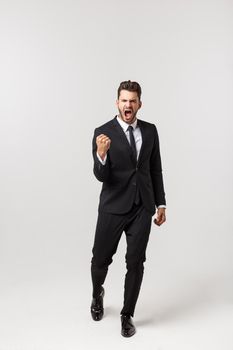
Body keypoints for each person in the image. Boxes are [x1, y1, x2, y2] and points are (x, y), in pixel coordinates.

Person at [90, 80, 166, 337]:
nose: (128, 105)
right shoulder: (102, 132)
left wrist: (160, 203)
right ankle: (97, 293)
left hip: (142, 208)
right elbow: (101, 176)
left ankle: (127, 314)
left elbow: (154, 169)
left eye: (133, 101)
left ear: (139, 104)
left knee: (136, 262)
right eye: (124, 100)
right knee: (100, 259)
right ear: (117, 103)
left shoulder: (151, 131)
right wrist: (101, 154)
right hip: (112, 207)